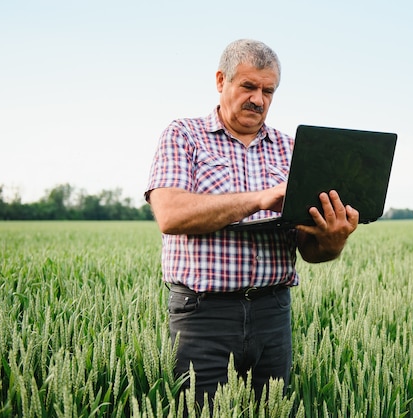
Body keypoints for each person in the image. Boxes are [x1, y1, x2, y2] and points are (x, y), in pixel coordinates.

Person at [144, 39, 358, 407]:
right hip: (203, 316)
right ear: (220, 80)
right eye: (248, 86)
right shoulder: (183, 135)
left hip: (273, 313)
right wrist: (259, 199)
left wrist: (334, 238)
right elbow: (171, 214)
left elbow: (311, 250)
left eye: (268, 91)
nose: (258, 99)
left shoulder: (291, 149)